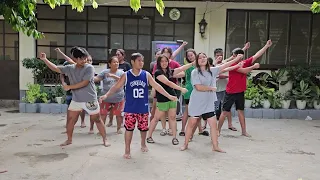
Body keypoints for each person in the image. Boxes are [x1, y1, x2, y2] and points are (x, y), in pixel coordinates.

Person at [99, 53, 178, 159]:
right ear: (132, 61)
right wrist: (106, 95)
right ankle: (127, 149)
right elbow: (116, 87)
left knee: (143, 129)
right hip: (130, 108)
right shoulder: (126, 75)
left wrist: (169, 95)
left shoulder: (146, 74)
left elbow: (157, 86)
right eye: (139, 60)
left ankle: (143, 144)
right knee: (129, 129)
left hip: (143, 108)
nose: (141, 63)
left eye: (142, 61)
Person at [40, 47, 110, 147]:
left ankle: (105, 139)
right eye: (81, 59)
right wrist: (45, 59)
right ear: (75, 59)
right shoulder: (70, 68)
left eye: (85, 58)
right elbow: (56, 68)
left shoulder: (89, 68)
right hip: (76, 100)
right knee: (70, 120)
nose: (84, 60)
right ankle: (69, 139)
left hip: (90, 100)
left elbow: (84, 83)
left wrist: (69, 87)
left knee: (97, 119)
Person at [180, 52, 244, 153]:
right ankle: (185, 144)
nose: (202, 59)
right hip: (196, 102)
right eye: (200, 58)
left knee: (213, 125)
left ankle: (215, 146)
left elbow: (224, 66)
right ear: (197, 61)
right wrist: (211, 88)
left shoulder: (212, 71)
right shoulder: (195, 72)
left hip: (208, 103)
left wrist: (236, 60)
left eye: (204, 57)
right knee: (191, 123)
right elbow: (198, 87)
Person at [218, 40, 272, 137]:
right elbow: (244, 71)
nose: (233, 57)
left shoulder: (243, 62)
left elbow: (256, 55)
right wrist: (254, 66)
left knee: (241, 111)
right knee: (225, 112)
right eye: (234, 56)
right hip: (231, 91)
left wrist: (266, 46)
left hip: (240, 91)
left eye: (235, 55)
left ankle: (244, 131)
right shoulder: (232, 64)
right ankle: (217, 131)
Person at [146, 55, 188, 145]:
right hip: (162, 98)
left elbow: (181, 68)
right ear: (159, 63)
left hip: (172, 97)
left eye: (166, 61)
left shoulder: (169, 71)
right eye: (162, 61)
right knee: (156, 118)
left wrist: (192, 63)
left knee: (172, 118)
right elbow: (168, 83)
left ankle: (174, 137)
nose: (164, 63)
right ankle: (149, 136)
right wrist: (181, 89)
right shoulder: (157, 72)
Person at [210, 43, 250, 131]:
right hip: (216, 90)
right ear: (214, 56)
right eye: (217, 56)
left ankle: (230, 124)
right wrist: (229, 76)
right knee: (214, 108)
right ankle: (211, 127)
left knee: (227, 109)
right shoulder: (213, 65)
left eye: (221, 55)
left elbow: (236, 56)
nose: (219, 57)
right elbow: (219, 75)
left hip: (226, 88)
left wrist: (245, 48)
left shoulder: (225, 62)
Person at [152, 42, 187, 136]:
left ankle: (171, 129)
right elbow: (154, 77)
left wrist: (172, 75)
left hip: (173, 89)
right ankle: (163, 128)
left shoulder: (173, 64)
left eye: (168, 52)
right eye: (164, 52)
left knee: (172, 112)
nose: (166, 54)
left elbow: (183, 72)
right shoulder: (157, 66)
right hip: (160, 90)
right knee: (161, 112)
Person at [175, 49, 208, 138]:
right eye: (188, 56)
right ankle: (184, 130)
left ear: (195, 55)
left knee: (195, 111)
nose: (190, 57)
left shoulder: (195, 65)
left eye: (191, 55)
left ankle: (198, 129)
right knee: (190, 111)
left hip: (194, 89)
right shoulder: (191, 66)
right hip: (191, 89)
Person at [94, 56, 124, 134]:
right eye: (114, 62)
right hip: (106, 97)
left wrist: (112, 76)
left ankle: (118, 129)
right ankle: (101, 130)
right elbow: (97, 78)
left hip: (118, 97)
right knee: (103, 114)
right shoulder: (105, 72)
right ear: (109, 64)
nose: (116, 63)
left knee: (119, 114)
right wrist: (90, 77)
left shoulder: (121, 72)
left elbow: (123, 81)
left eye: (117, 62)